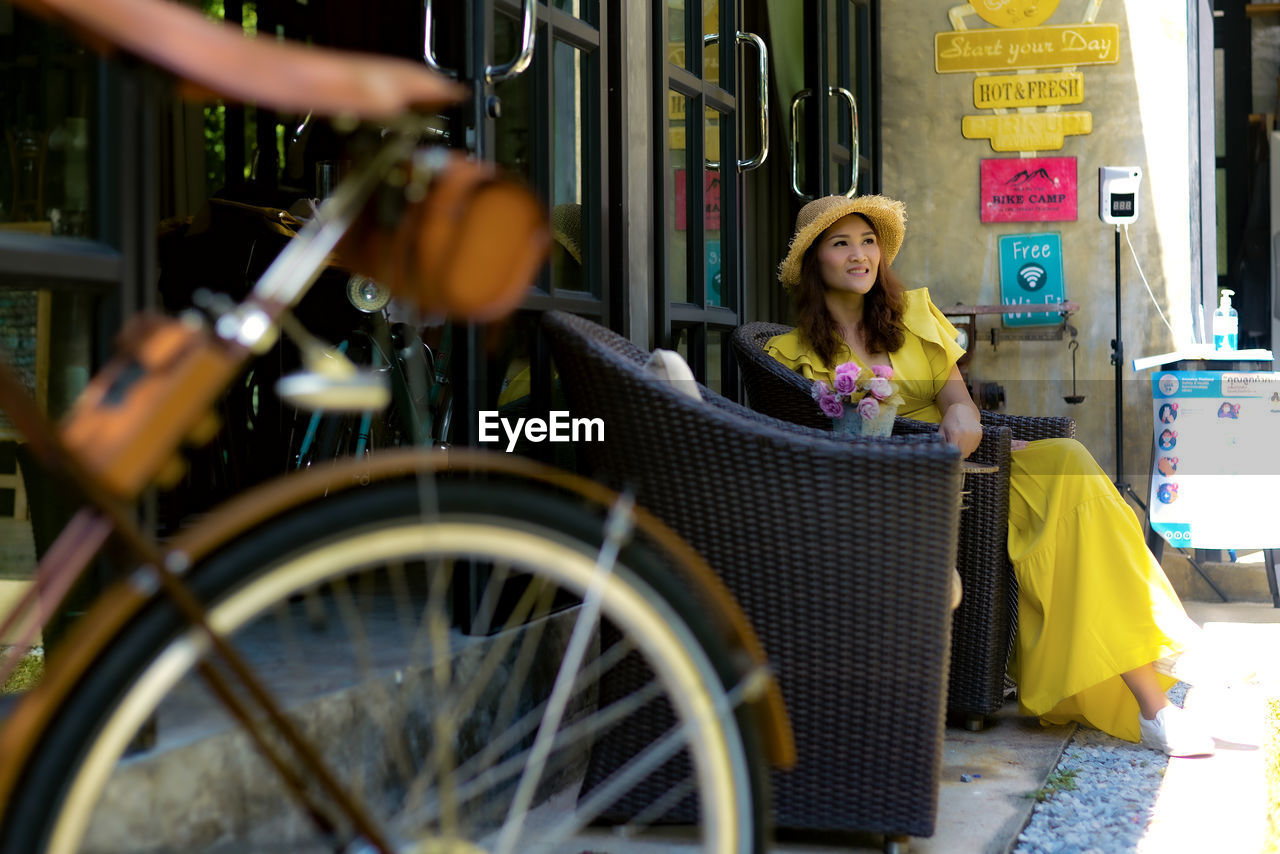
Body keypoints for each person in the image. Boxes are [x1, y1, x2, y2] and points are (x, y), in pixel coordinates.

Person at [766, 194, 1216, 757]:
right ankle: (1154, 701)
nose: (860, 255)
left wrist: (968, 423)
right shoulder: (792, 356)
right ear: (815, 262)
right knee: (1070, 506)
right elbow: (815, 444)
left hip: (972, 464)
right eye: (842, 244)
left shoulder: (912, 318)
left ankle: (1154, 702)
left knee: (1069, 467)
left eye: (868, 242)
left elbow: (958, 398)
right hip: (899, 486)